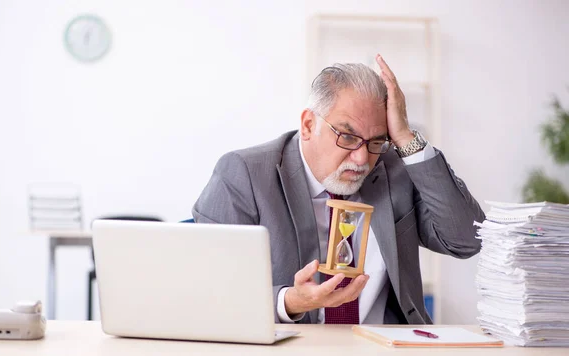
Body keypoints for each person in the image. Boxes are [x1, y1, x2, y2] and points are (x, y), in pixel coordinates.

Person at [193, 55, 485, 325]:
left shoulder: (392, 169)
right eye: (347, 136)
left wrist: (406, 138)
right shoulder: (245, 174)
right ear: (308, 125)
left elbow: (467, 239)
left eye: (375, 142)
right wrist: (290, 302)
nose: (361, 159)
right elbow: (213, 291)